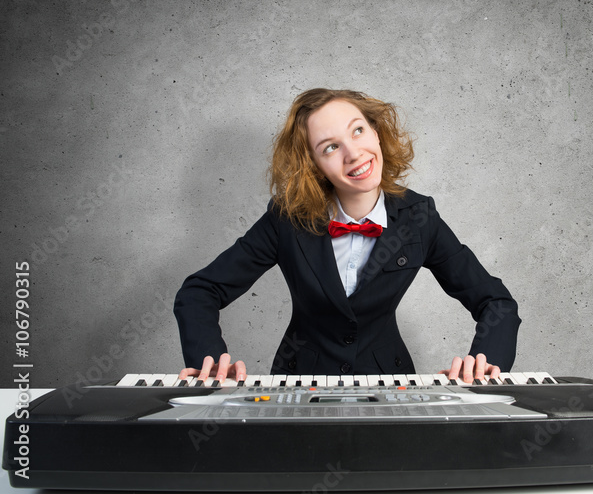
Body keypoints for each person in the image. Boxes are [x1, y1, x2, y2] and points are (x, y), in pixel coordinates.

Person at [174, 88, 520, 384]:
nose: (354, 153)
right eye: (329, 147)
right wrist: (209, 360)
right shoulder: (286, 219)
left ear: (376, 132)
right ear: (312, 164)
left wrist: (485, 361)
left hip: (390, 384)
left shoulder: (419, 218)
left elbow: (497, 303)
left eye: (358, 131)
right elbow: (200, 291)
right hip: (299, 384)